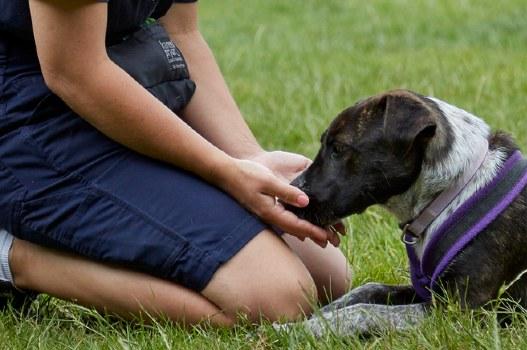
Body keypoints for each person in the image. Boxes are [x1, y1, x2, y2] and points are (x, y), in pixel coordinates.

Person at [0, 0, 350, 325]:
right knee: (277, 298)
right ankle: (16, 257)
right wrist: (223, 171)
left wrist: (248, 158)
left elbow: (183, 33)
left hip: (119, 88)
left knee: (329, 277)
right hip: (29, 120)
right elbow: (74, 72)